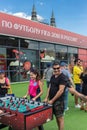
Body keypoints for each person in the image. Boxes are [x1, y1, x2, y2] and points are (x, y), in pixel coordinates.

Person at [44, 61, 87, 130]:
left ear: (60, 68)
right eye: (54, 68)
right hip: (52, 100)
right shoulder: (53, 76)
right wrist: (46, 97)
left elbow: (60, 91)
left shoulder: (62, 77)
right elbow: (50, 87)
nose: (56, 70)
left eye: (57, 68)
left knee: (60, 118)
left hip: (59, 101)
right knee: (57, 118)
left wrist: (52, 100)